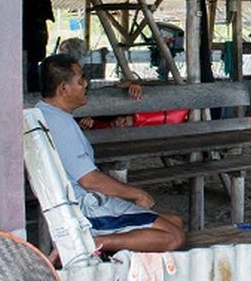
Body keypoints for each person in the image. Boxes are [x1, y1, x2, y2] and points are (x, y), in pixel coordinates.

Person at [36, 53, 185, 252]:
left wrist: (127, 83)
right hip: (87, 209)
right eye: (81, 80)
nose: (86, 84)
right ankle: (91, 244)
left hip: (77, 202)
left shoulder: (44, 113)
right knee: (173, 236)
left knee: (175, 221)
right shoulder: (61, 125)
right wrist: (136, 193)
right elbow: (90, 180)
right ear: (64, 88)